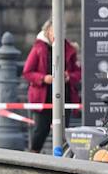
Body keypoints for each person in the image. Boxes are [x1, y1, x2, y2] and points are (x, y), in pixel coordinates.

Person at [23, 20, 82, 154]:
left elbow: (78, 72)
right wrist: (43, 78)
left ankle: (62, 161)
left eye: (61, 30)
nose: (58, 33)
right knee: (40, 131)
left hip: (64, 97)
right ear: (48, 31)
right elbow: (27, 72)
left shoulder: (69, 49)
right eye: (55, 30)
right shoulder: (38, 48)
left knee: (63, 132)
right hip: (43, 98)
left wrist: (68, 76)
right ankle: (33, 157)